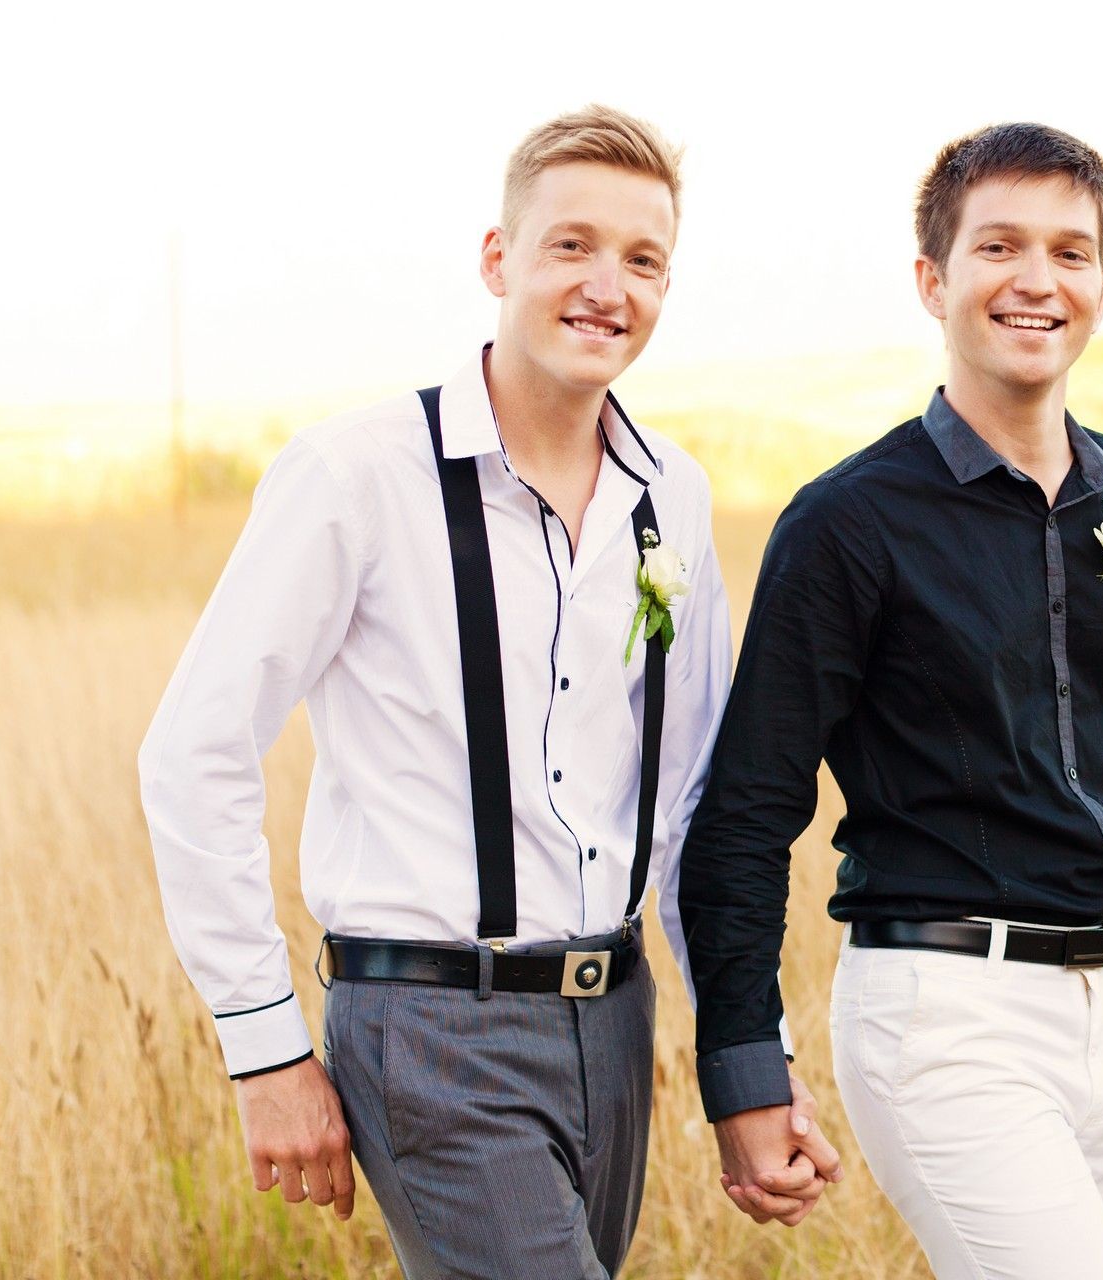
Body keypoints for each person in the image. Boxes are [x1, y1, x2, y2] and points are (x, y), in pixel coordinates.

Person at [137, 104, 835, 1280]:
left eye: (643, 258)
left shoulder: (677, 495)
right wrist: (263, 1050)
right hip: (428, 1028)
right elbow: (193, 751)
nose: (607, 283)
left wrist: (743, 1062)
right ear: (498, 259)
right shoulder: (355, 473)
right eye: (572, 244)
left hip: (614, 1020)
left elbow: (691, 812)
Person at [679, 122, 1103, 1277]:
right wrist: (745, 1065)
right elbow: (750, 808)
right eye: (999, 245)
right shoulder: (848, 522)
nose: (1035, 280)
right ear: (935, 279)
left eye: (1068, 252)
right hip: (947, 1014)